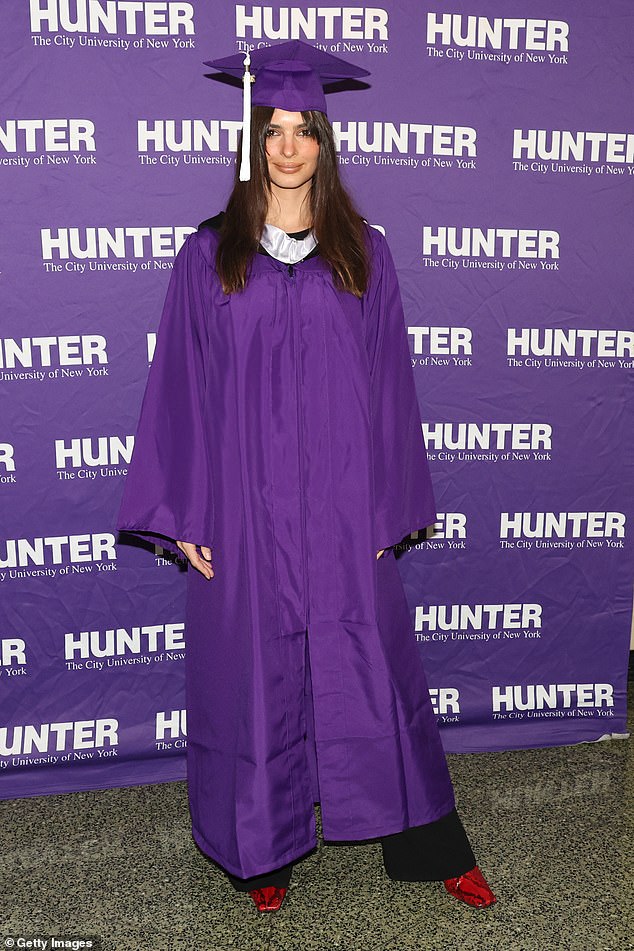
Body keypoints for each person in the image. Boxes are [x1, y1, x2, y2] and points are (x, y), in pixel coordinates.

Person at [116, 40, 496, 913]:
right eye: (273, 129)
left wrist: (389, 505)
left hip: (340, 505)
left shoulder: (363, 253)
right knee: (254, 679)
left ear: (325, 143)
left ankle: (431, 843)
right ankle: (264, 853)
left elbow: (392, 386)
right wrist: (182, 513)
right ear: (254, 142)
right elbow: (179, 386)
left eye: (304, 130)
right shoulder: (209, 254)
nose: (288, 146)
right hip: (245, 509)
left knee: (374, 670)